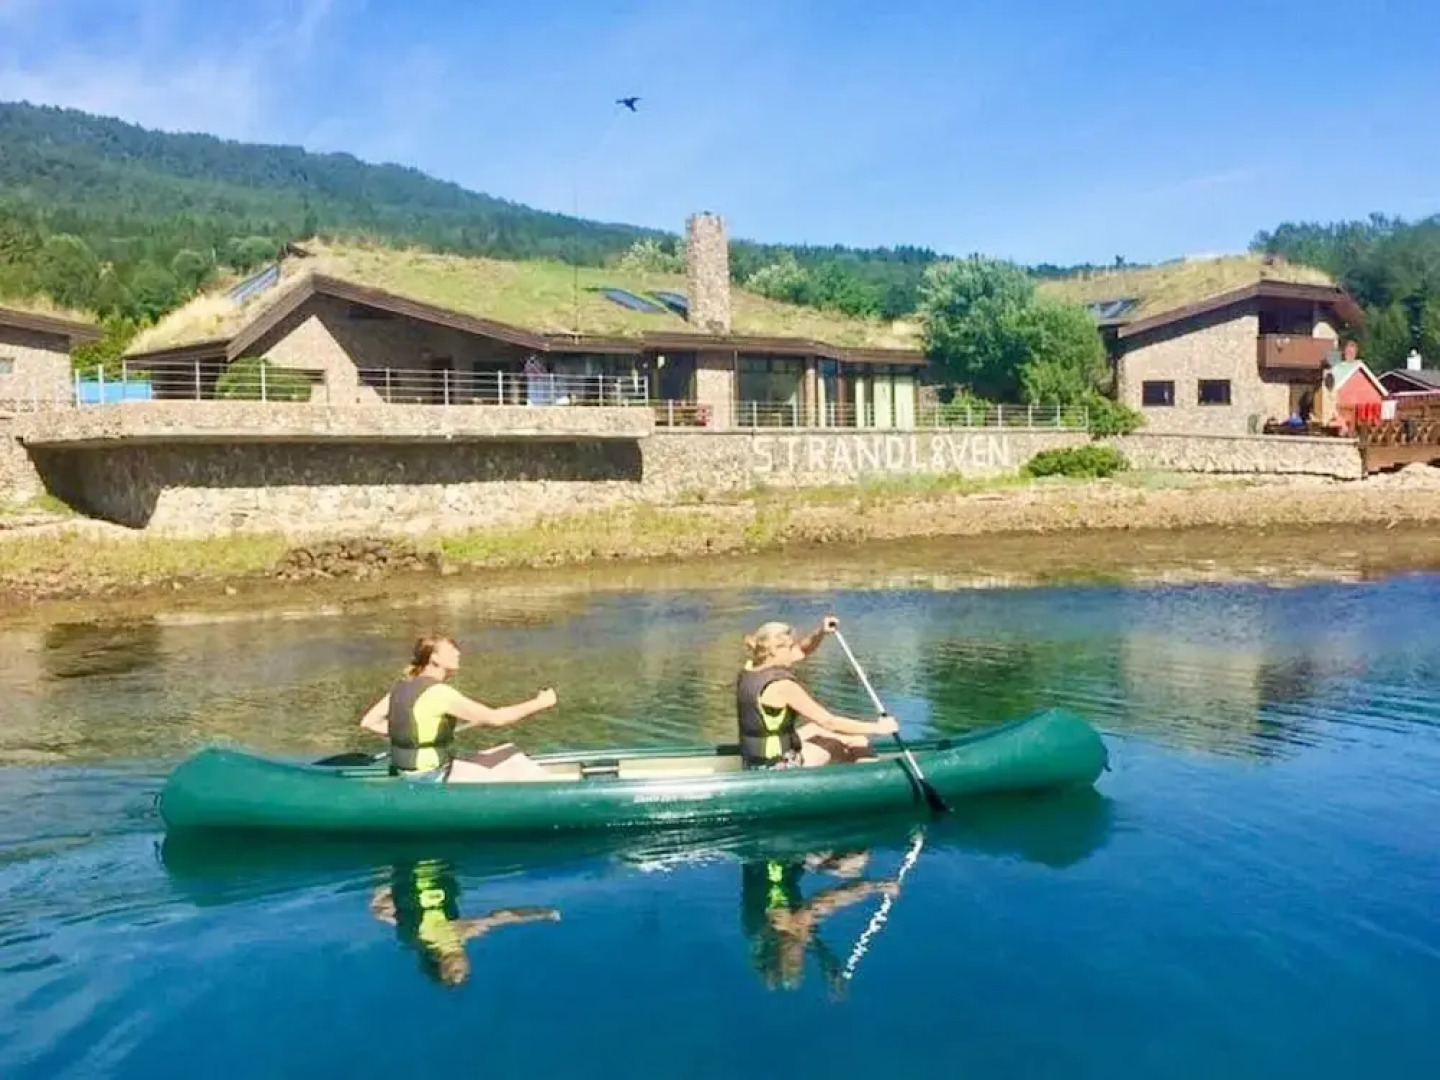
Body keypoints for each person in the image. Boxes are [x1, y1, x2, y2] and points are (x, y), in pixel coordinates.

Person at [359, 633, 557, 782]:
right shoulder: (440, 693)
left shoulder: (401, 687)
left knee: (507, 750)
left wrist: (411, 733)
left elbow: (369, 722)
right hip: (431, 776)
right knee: (514, 762)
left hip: (405, 771)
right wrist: (540, 703)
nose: (458, 653)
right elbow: (497, 718)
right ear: (434, 659)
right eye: (451, 650)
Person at [736, 616, 899, 769]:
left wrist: (820, 632)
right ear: (775, 649)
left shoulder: (750, 669)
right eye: (790, 646)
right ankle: (872, 780)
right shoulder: (783, 686)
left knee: (815, 729)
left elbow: (802, 650)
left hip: (754, 762)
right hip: (777, 767)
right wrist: (878, 728)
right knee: (854, 740)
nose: (794, 651)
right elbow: (830, 722)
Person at [370, 858, 560, 987]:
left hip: (408, 870)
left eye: (452, 973)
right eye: (464, 973)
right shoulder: (464, 933)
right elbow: (503, 916)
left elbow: (382, 910)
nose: (459, 970)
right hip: (437, 870)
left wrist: (383, 883)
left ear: (439, 965)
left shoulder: (418, 937)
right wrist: (541, 914)